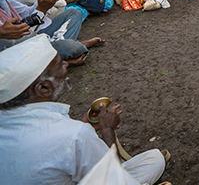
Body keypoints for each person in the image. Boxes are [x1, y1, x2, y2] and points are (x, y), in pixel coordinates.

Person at [0, 35, 166, 185]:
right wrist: (107, 130)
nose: (66, 64)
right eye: (59, 65)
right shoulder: (74, 136)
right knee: (155, 158)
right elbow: (112, 181)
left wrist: (84, 125)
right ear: (43, 88)